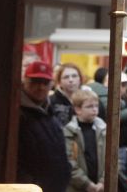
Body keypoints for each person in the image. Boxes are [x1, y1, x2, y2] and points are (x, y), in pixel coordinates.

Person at [17, 60, 72, 192]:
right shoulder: (17, 115)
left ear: (51, 85)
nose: (41, 87)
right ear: (25, 81)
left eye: (45, 82)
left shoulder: (49, 113)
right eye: (35, 81)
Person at [64, 89, 106, 192]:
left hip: (101, 186)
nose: (94, 109)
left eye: (96, 106)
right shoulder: (69, 131)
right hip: (77, 187)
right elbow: (68, 161)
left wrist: (103, 181)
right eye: (89, 106)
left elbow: (113, 157)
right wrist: (86, 184)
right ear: (78, 109)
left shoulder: (104, 130)